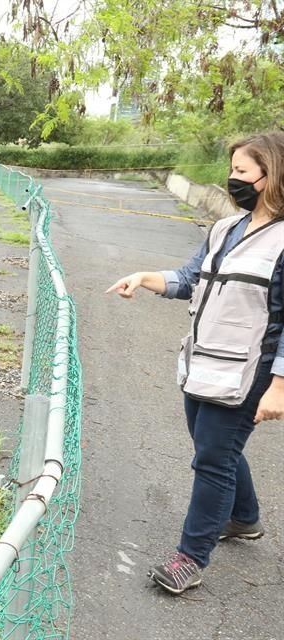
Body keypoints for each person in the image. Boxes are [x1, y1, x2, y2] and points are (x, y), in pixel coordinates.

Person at [105, 131, 284, 595]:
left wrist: (280, 384)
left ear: (272, 174)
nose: (232, 178)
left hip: (250, 372)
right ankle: (244, 519)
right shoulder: (225, 228)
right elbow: (189, 278)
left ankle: (191, 557)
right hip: (202, 362)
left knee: (212, 458)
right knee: (216, 451)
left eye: (242, 171)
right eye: (233, 169)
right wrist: (145, 277)